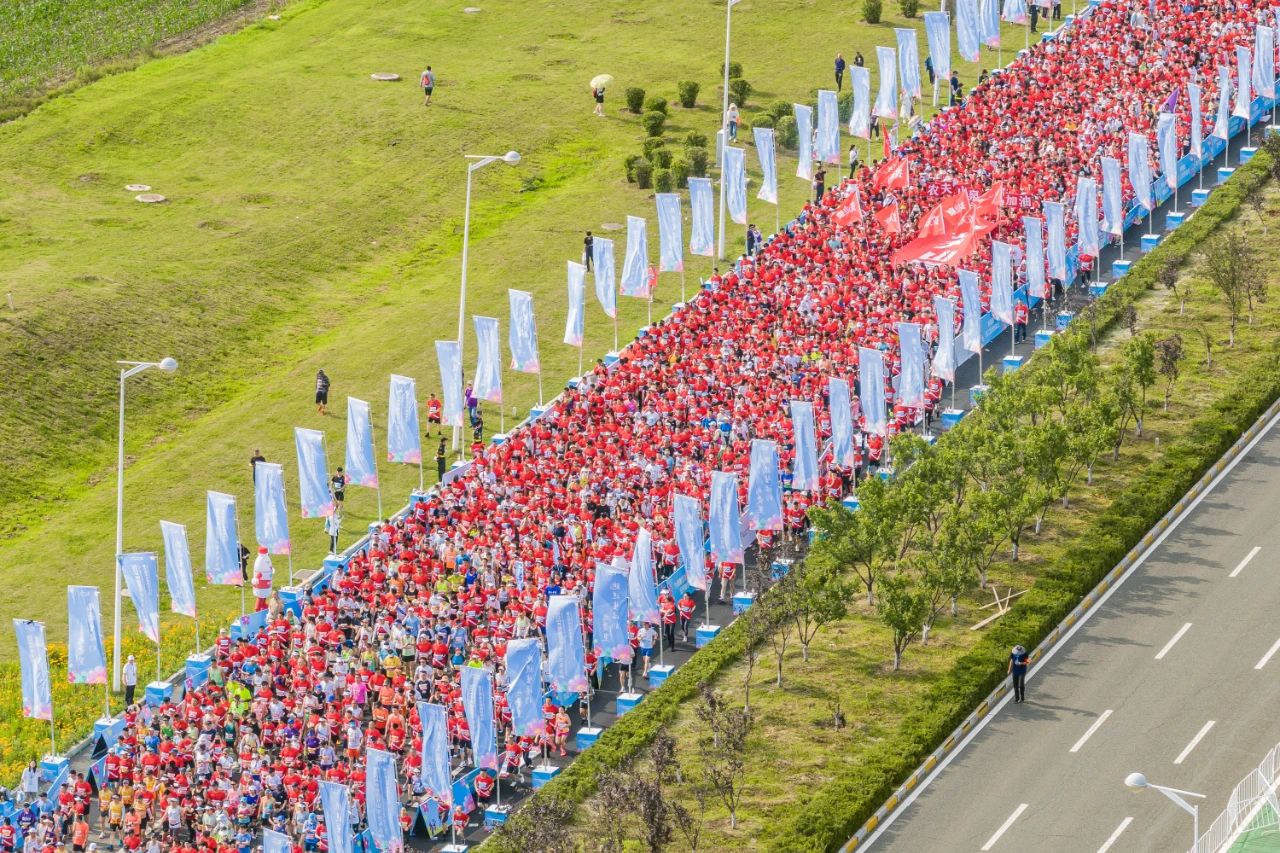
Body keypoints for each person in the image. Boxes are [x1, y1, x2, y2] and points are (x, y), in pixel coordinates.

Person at [252, 547, 274, 612]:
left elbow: (269, 568)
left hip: (267, 583)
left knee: (264, 596)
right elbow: (259, 573)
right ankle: (257, 608)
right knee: (260, 596)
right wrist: (256, 579)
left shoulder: (266, 559)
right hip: (261, 585)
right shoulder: (260, 561)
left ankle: (263, 605)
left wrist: (271, 570)